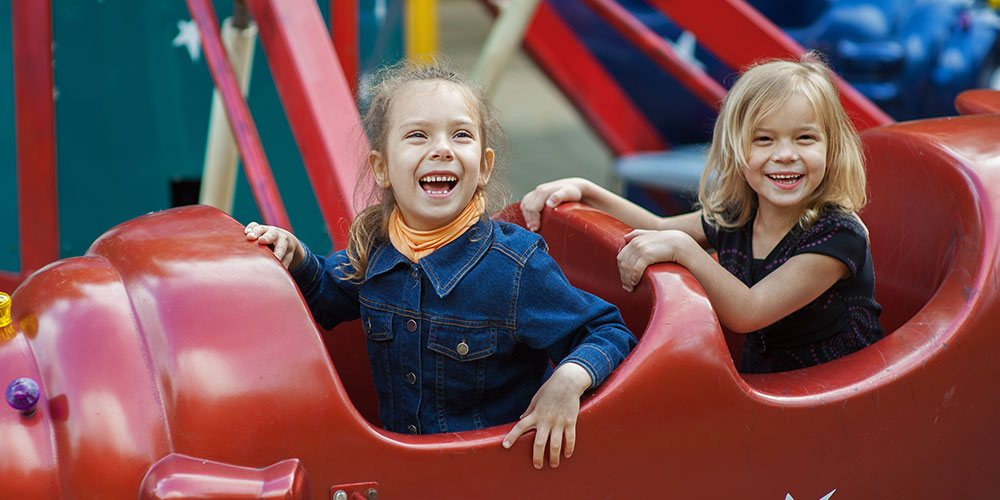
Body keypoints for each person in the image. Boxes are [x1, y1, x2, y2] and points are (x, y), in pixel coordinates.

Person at [244, 62, 635, 468]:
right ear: (382, 169)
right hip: (402, 473)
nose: (442, 148)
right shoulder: (377, 249)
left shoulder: (515, 268)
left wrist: (570, 377)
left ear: (483, 167)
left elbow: (605, 329)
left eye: (461, 135)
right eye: (418, 135)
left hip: (489, 477)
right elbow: (327, 295)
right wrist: (296, 257)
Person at [521, 54, 883, 374]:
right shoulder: (741, 214)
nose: (785, 154)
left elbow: (749, 311)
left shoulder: (837, 236)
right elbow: (658, 226)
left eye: (805, 138)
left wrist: (685, 249)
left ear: (832, 149)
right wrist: (589, 192)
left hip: (836, 395)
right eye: (764, 140)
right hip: (771, 390)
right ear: (736, 152)